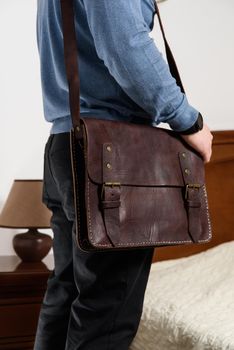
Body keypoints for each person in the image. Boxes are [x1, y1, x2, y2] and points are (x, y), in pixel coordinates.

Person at [34, 1, 213, 349]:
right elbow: (125, 46)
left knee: (66, 291)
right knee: (107, 311)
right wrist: (189, 120)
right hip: (110, 155)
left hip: (67, 142)